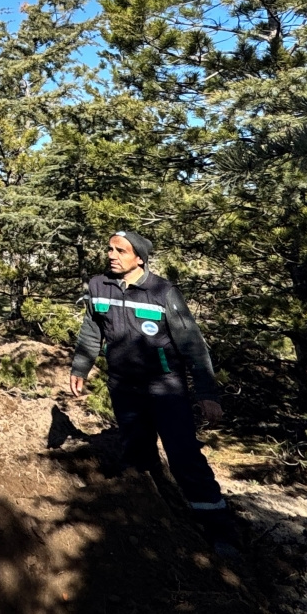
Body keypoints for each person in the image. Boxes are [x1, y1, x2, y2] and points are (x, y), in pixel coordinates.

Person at [66, 230, 238, 554]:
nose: (111, 255)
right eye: (109, 249)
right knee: (136, 454)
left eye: (120, 250)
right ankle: (147, 520)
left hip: (166, 387)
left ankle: (220, 530)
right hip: (123, 386)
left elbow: (193, 345)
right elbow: (92, 330)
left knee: (185, 457)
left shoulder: (162, 291)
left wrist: (207, 392)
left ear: (139, 258)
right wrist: (81, 366)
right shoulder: (98, 287)